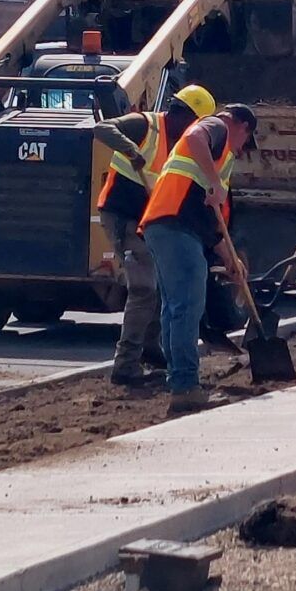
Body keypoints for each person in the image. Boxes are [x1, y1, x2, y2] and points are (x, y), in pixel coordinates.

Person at [138, 101, 256, 415]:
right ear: (240, 125)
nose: (242, 149)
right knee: (186, 306)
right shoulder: (217, 127)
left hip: (166, 224)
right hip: (175, 225)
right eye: (246, 140)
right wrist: (215, 182)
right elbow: (193, 139)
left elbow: (211, 224)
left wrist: (230, 258)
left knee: (174, 307)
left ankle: (179, 381)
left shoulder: (216, 158)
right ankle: (185, 387)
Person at [102, 82, 216, 386]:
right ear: (186, 115)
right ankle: (125, 365)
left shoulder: (183, 144)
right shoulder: (146, 125)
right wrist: (131, 151)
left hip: (149, 222)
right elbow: (102, 128)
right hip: (123, 216)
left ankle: (152, 352)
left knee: (163, 285)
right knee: (144, 289)